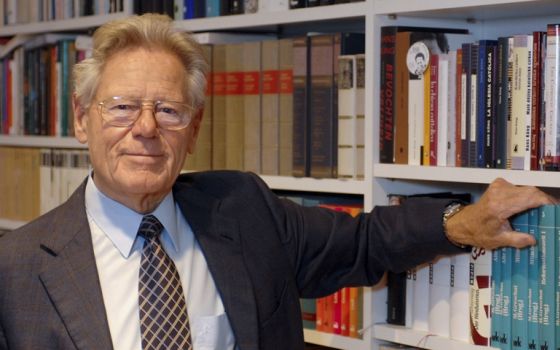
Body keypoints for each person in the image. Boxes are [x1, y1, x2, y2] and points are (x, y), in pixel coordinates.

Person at [0, 14, 553, 350]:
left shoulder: (241, 208)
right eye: (121, 107)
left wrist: (462, 223)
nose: (145, 128)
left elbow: (363, 242)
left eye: (168, 111)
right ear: (81, 120)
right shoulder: (16, 269)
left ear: (193, 130)